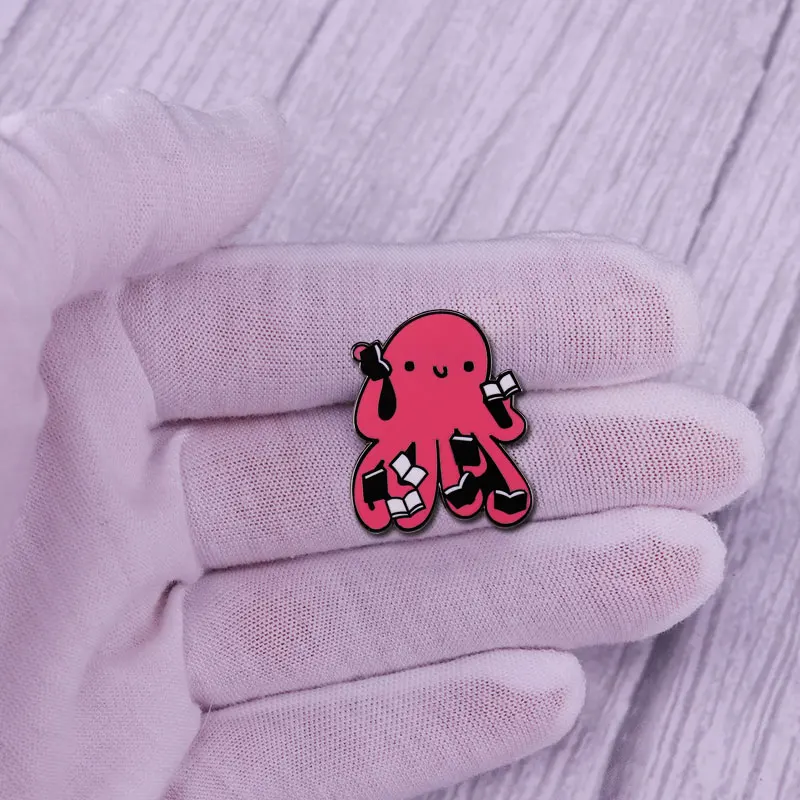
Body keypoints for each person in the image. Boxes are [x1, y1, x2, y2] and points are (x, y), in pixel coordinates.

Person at [0, 90, 762, 800]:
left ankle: (460, 489)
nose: (446, 376)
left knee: (476, 473)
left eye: (457, 370)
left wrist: (485, 404)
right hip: (403, 458)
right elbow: (395, 414)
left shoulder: (456, 404)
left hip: (445, 458)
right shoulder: (396, 405)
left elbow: (493, 427)